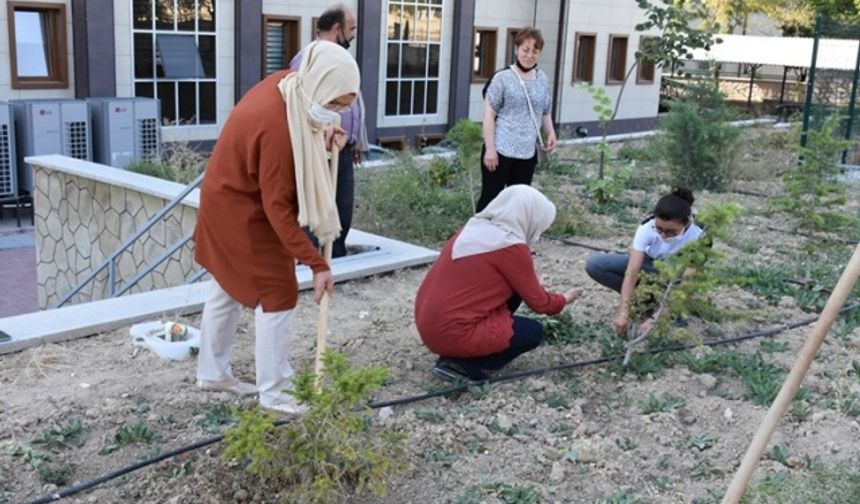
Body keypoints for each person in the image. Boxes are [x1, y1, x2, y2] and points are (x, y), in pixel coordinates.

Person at [193, 41, 360, 414]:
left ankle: (213, 371)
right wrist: (316, 263)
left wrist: (323, 134)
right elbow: (277, 208)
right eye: (333, 104)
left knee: (226, 284)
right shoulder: (277, 128)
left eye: (343, 106)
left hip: (227, 195)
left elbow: (307, 126)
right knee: (278, 290)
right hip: (239, 207)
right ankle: (276, 394)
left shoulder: (293, 85)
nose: (336, 112)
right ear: (318, 82)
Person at [414, 185, 582, 382]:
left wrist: (532, 285)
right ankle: (464, 366)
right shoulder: (510, 246)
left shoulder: (473, 229)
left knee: (516, 291)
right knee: (532, 332)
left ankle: (457, 353)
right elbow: (541, 304)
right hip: (453, 332)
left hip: (431, 327)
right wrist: (564, 299)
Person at [290, 4, 368, 258]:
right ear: (337, 29)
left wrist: (358, 142)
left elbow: (354, 103)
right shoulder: (308, 59)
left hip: (342, 147)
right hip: (319, 150)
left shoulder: (340, 59)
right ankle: (313, 260)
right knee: (319, 210)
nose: (354, 33)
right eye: (351, 28)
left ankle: (336, 259)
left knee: (342, 208)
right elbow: (301, 105)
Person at [585, 187, 703, 336]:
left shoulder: (700, 237)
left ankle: (668, 309)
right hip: (651, 264)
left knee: (676, 321)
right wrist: (624, 312)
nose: (663, 236)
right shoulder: (647, 226)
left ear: (686, 224)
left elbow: (686, 285)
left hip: (675, 276)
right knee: (596, 265)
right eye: (659, 229)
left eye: (671, 232)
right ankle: (646, 301)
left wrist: (655, 320)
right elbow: (632, 272)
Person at [477, 27, 558, 212]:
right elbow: (489, 115)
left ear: (539, 53)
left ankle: (510, 240)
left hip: (527, 153)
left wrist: (551, 133)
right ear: (516, 49)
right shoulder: (502, 78)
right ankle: (479, 238)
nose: (529, 55)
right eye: (525, 50)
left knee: (518, 205)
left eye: (534, 51)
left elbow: (545, 111)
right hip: (500, 151)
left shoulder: (542, 79)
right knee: (491, 201)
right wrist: (490, 149)